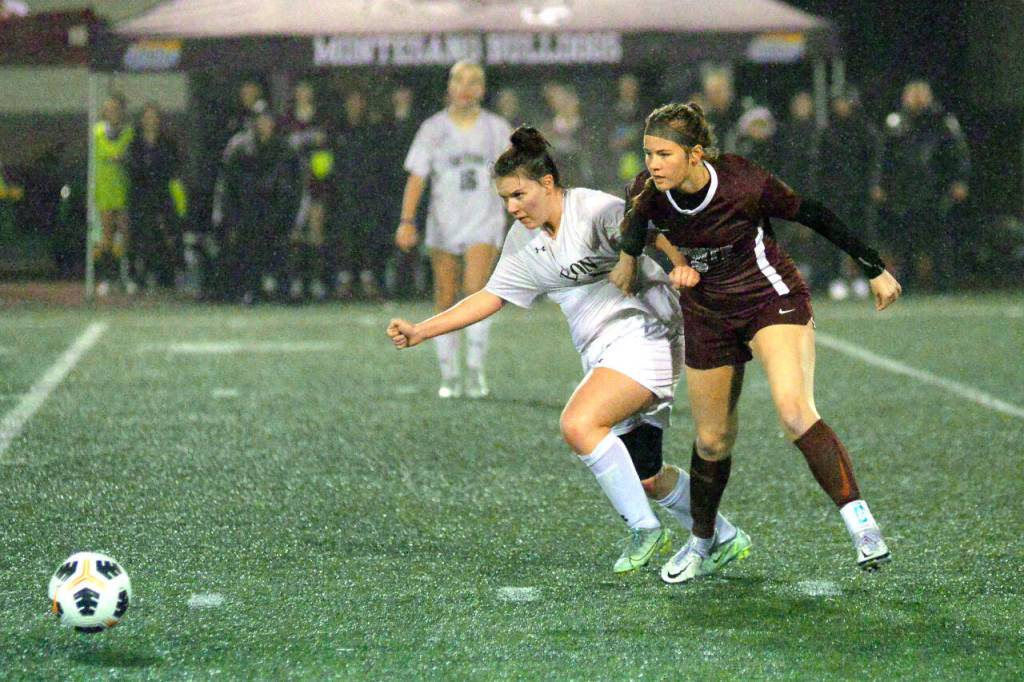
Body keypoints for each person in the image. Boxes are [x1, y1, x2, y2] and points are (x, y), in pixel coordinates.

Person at [387, 127, 751, 575]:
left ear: (547, 183)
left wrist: (675, 265)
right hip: (604, 351)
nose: (512, 207)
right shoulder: (524, 242)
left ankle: (643, 528)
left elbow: (648, 229)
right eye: (505, 199)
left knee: (580, 423)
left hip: (647, 334)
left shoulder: (593, 209)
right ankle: (724, 536)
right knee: (647, 475)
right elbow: (490, 295)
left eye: (519, 194)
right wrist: (424, 330)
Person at [610, 102, 902, 584]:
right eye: (648, 154)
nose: (653, 164)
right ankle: (703, 542)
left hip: (770, 298)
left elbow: (814, 214)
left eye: (663, 154)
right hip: (706, 312)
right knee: (712, 439)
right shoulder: (648, 191)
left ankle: (862, 526)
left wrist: (873, 267)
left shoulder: (743, 180)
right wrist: (641, 259)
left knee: (793, 411)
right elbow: (638, 228)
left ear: (696, 154)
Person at [395, 61, 512, 398]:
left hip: (483, 220)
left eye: (473, 81)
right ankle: (450, 374)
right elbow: (417, 176)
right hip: (444, 223)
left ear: (482, 89)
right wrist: (407, 221)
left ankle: (475, 370)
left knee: (476, 292)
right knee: (446, 296)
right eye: (459, 80)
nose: (466, 87)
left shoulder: (496, 128)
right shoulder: (433, 128)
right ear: (449, 86)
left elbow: (512, 175)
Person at [873, 80, 970, 292]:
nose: (916, 99)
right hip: (904, 190)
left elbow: (958, 153)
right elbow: (884, 157)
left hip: (936, 188)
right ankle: (906, 283)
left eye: (921, 94)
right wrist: (879, 183)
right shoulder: (895, 122)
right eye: (912, 94)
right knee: (904, 240)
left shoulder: (943, 121)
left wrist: (959, 180)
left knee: (938, 239)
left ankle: (944, 284)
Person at [127, 102, 186, 291]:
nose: (150, 120)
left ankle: (166, 275)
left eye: (154, 117)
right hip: (140, 194)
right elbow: (133, 168)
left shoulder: (167, 142)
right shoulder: (135, 142)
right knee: (141, 235)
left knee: (168, 233)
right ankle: (138, 276)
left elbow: (172, 166)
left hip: (161, 193)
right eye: (147, 116)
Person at [93, 94, 135, 296]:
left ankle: (126, 276)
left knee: (124, 236)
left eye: (116, 108)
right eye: (108, 108)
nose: (112, 112)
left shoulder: (129, 133)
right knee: (106, 236)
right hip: (104, 190)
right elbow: (100, 156)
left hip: (123, 190)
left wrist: (122, 158)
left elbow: (129, 156)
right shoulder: (97, 132)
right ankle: (105, 278)